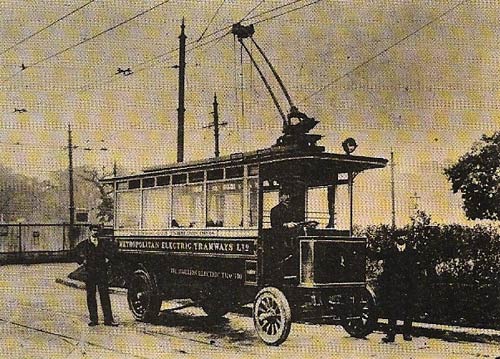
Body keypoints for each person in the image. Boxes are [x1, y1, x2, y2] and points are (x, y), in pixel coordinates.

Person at [74, 224, 118, 327]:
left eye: (97, 230)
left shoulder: (103, 243)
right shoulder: (84, 244)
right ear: (90, 231)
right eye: (93, 230)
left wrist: (108, 260)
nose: (95, 232)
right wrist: (82, 260)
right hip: (90, 273)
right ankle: (94, 319)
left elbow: (111, 253)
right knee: (91, 296)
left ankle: (108, 320)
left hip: (102, 272)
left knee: (104, 296)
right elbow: (75, 253)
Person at [380, 231, 417, 343]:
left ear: (406, 238)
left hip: (408, 285)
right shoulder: (390, 252)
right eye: (399, 236)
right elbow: (386, 269)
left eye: (403, 236)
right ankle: (391, 334)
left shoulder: (412, 252)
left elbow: (415, 270)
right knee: (392, 310)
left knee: (408, 309)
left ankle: (407, 333)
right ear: (396, 239)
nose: (401, 238)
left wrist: (414, 284)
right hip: (393, 285)